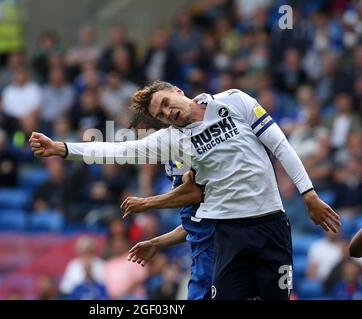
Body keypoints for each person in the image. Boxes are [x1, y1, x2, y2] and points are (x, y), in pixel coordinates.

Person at [29, 80, 341, 299]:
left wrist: (308, 193)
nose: (167, 112)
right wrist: (62, 148)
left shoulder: (234, 100)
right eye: (160, 114)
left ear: (178, 91)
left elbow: (280, 144)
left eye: (166, 103)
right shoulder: (171, 141)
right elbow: (116, 150)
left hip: (272, 223)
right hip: (229, 233)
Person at [124, 169, 215, 300]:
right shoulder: (172, 161)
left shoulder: (186, 156)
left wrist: (145, 203)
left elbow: (193, 192)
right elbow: (192, 226)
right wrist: (154, 243)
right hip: (202, 256)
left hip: (214, 253)